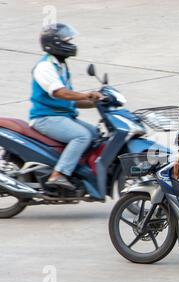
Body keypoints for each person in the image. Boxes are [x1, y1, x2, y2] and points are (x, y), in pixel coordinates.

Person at [29, 23, 103, 190]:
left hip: (62, 116)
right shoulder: (45, 67)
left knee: (95, 134)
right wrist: (87, 95)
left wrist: (98, 102)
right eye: (67, 40)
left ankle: (78, 172)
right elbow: (61, 93)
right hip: (46, 117)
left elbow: (70, 100)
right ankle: (59, 174)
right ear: (55, 44)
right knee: (82, 136)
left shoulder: (60, 66)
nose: (71, 44)